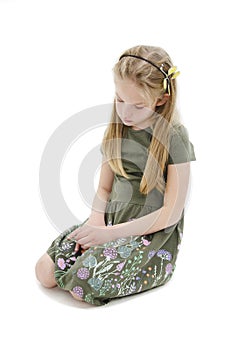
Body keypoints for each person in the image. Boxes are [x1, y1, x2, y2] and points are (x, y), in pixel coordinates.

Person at [35, 45, 196, 306]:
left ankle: (142, 268)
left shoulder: (174, 137)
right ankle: (96, 251)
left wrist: (111, 236)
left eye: (137, 105)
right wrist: (97, 223)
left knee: (82, 287)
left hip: (150, 236)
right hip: (109, 222)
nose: (125, 113)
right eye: (120, 100)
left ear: (161, 99)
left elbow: (172, 212)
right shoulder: (116, 131)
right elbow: (104, 190)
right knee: (44, 272)